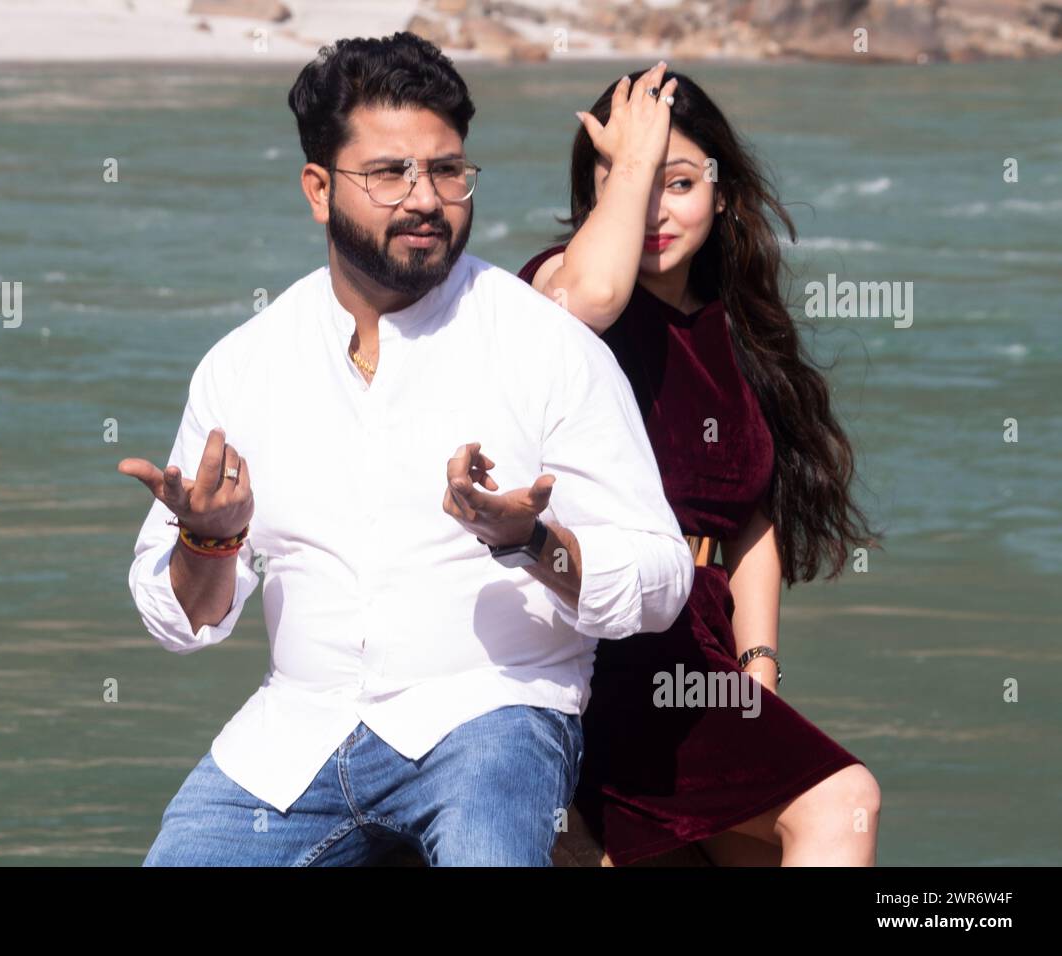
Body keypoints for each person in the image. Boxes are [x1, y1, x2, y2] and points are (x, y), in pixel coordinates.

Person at [118, 33, 694, 867]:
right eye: (389, 173)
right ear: (319, 190)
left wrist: (530, 543)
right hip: (293, 737)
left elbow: (662, 580)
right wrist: (208, 541)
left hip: (489, 720)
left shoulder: (545, 346)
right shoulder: (246, 366)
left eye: (448, 170)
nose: (426, 197)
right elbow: (185, 621)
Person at [519, 61, 883, 866]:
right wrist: (636, 163)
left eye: (677, 182)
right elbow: (590, 291)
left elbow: (748, 518)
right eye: (627, 182)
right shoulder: (557, 294)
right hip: (603, 643)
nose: (653, 208)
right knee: (843, 801)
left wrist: (758, 667)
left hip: (705, 656)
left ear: (721, 195)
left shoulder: (735, 328)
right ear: (595, 199)